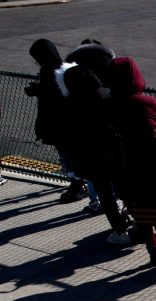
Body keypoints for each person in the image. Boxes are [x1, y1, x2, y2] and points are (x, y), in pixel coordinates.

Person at [108, 56, 156, 268]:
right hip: (151, 164)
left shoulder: (111, 105)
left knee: (139, 211)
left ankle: (154, 252)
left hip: (126, 167)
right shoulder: (145, 103)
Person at [62, 63, 133, 244]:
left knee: (105, 195)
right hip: (115, 153)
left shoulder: (71, 104)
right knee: (125, 189)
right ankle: (141, 222)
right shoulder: (104, 97)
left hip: (91, 158)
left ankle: (119, 230)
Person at [26, 39, 88, 204]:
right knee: (70, 155)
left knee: (67, 155)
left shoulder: (49, 72)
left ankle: (77, 184)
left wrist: (37, 91)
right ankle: (79, 182)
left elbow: (52, 96)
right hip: (66, 121)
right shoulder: (65, 68)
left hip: (57, 122)